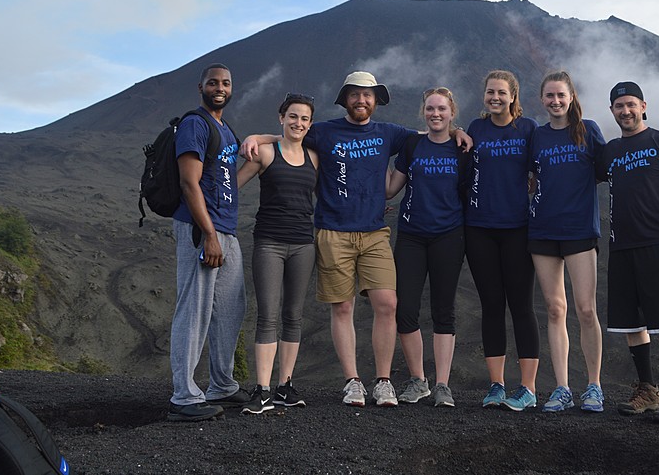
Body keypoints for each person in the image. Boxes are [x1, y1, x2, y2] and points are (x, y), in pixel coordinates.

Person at [241, 71, 471, 407]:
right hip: (333, 231)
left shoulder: (389, 133)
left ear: (376, 101)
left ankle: (382, 381)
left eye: (368, 95)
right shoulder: (324, 131)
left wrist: (457, 130)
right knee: (343, 306)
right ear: (345, 99)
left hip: (375, 232)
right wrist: (256, 137)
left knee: (387, 304)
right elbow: (292, 133)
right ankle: (352, 381)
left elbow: (430, 132)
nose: (361, 100)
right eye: (355, 95)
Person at [598, 81, 659, 424]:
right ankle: (648, 390)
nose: (625, 111)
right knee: (631, 321)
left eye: (631, 104)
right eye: (619, 106)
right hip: (621, 246)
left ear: (643, 105)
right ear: (612, 111)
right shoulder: (609, 151)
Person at [167, 63, 249, 422]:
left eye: (226, 83)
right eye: (213, 82)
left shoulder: (225, 129)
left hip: (226, 231)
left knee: (231, 308)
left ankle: (222, 384)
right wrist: (210, 235)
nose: (220, 87)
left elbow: (228, 181)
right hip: (203, 231)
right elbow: (189, 184)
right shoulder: (195, 125)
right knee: (195, 309)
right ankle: (184, 396)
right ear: (200, 86)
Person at [385, 88, 470, 408]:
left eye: (442, 109)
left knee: (443, 310)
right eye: (431, 108)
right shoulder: (412, 145)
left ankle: (443, 385)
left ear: (452, 113)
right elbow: (391, 189)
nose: (436, 114)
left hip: (449, 234)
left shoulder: (463, 149)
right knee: (405, 308)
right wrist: (372, 163)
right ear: (423, 112)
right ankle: (419, 380)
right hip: (411, 235)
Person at [463, 69, 541, 411]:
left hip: (518, 229)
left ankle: (527, 388)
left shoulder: (528, 129)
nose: (495, 97)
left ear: (513, 97)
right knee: (491, 306)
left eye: (502, 93)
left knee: (521, 306)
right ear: (484, 95)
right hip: (479, 228)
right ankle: (496, 385)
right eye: (490, 91)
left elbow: (542, 169)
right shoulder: (475, 129)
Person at [528, 71, 606, 413]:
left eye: (561, 95)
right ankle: (561, 387)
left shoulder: (588, 131)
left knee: (586, 309)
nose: (556, 101)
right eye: (549, 96)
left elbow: (608, 169)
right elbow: (530, 176)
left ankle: (594, 386)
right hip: (543, 230)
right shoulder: (537, 136)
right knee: (555, 308)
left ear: (571, 97)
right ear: (542, 99)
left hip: (579, 231)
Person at [236, 93, 318, 414]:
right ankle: (263, 389)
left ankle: (285, 385)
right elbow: (233, 186)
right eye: (293, 116)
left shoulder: (315, 156)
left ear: (310, 124)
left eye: (305, 119)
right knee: (268, 315)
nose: (298, 123)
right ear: (281, 117)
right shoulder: (266, 153)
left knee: (293, 316)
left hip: (303, 245)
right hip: (269, 243)